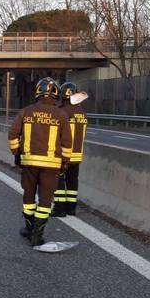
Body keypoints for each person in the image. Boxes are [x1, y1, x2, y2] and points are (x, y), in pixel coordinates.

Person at [8, 77, 72, 246]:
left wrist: (17, 154)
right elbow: (67, 143)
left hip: (29, 163)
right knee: (45, 200)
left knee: (28, 196)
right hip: (51, 166)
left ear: (37, 92)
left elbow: (13, 134)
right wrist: (64, 163)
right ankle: (37, 234)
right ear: (56, 94)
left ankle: (28, 229)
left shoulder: (26, 111)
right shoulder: (61, 115)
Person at [52, 82, 88, 217]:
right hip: (77, 154)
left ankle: (59, 208)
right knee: (73, 180)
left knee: (59, 180)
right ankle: (71, 208)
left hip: (63, 153)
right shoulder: (82, 113)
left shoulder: (61, 111)